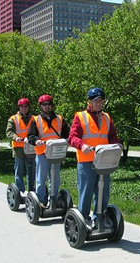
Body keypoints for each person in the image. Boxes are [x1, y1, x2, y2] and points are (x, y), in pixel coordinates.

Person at [68, 87, 122, 228]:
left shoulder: (106, 117)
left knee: (103, 191)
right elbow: (72, 137)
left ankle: (99, 217)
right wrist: (82, 145)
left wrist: (117, 144)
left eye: (101, 100)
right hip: (86, 161)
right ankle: (83, 219)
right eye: (96, 100)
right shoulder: (80, 116)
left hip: (103, 161)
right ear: (90, 102)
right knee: (86, 191)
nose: (99, 103)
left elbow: (112, 136)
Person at [27, 94, 69, 206]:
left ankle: (53, 199)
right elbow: (30, 136)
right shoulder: (36, 120)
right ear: (40, 106)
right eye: (44, 105)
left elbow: (67, 133)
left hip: (56, 153)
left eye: (49, 104)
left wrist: (67, 139)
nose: (47, 107)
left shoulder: (60, 119)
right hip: (42, 153)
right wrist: (36, 141)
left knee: (55, 178)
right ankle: (41, 201)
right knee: (41, 178)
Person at [6, 98, 36, 195]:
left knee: (31, 170)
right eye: (22, 107)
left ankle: (31, 190)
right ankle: (19, 191)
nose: (24, 109)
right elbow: (9, 132)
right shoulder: (13, 119)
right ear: (19, 107)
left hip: (31, 147)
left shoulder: (34, 119)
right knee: (19, 170)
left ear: (29, 107)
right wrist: (15, 137)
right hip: (18, 148)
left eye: (26, 106)